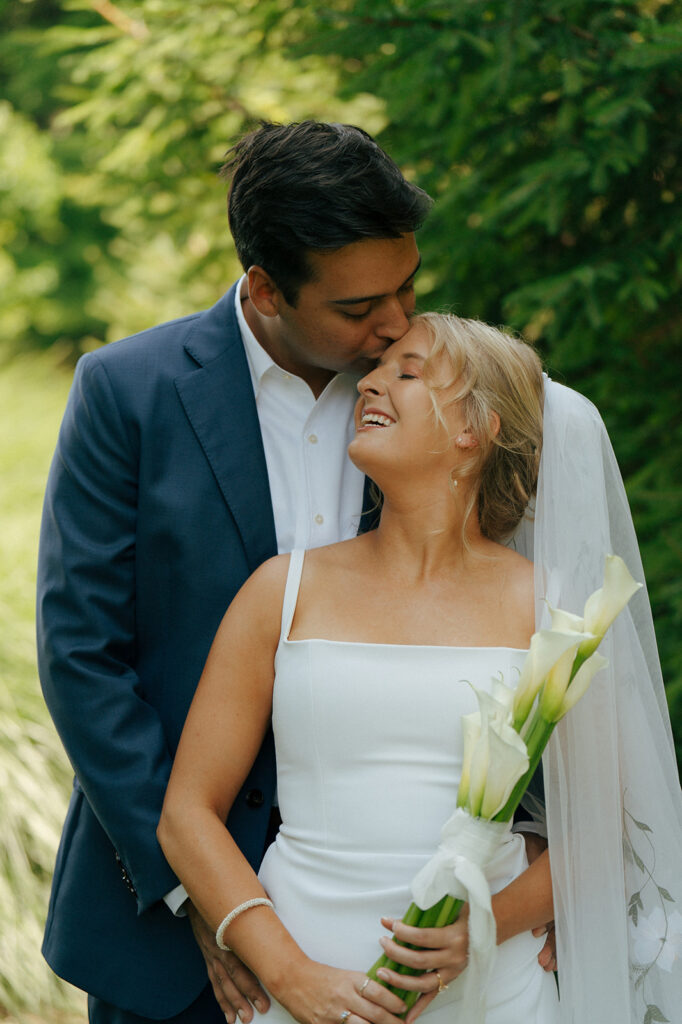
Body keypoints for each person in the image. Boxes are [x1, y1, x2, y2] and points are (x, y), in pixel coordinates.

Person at [36, 120, 433, 1024]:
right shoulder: (125, 392)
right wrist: (207, 900)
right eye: (358, 306)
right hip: (164, 925)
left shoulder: (435, 388)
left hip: (397, 909)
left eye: (408, 285)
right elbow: (82, 657)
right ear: (263, 288)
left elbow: (497, 617)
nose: (397, 323)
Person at [158, 313, 562, 1024]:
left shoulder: (549, 607)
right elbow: (187, 815)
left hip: (492, 991)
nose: (370, 383)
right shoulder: (279, 592)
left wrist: (481, 929)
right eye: (377, 371)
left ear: (477, 429)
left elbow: (613, 823)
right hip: (300, 983)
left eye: (407, 373)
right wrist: (290, 974)